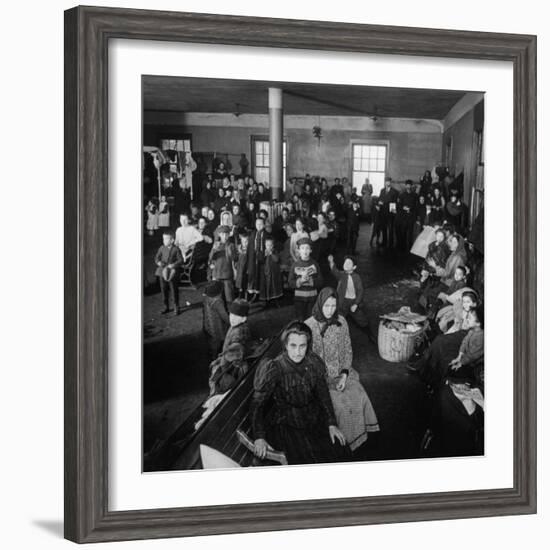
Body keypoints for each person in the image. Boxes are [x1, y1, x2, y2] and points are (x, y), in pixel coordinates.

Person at [251, 321, 349, 465]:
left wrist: (331, 423)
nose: (298, 352)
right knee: (305, 459)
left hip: (313, 419)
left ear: (307, 345)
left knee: (338, 452)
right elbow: (256, 404)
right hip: (287, 424)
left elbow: (323, 395)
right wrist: (259, 436)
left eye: (302, 346)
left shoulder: (313, 362)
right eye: (293, 346)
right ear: (285, 345)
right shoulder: (275, 368)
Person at [305, 289, 379, 452]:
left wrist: (344, 374)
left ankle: (360, 440)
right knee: (341, 407)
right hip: (321, 380)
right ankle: (344, 446)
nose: (330, 310)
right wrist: (323, 380)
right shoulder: (309, 326)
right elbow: (307, 361)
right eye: (327, 305)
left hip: (342, 373)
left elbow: (347, 349)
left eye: (333, 305)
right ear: (320, 303)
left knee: (360, 396)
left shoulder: (342, 321)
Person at [288, 237, 323, 320]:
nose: (305, 251)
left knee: (311, 318)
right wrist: (300, 281)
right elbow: (290, 282)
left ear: (311, 250)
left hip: (312, 298)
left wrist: (312, 281)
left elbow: (321, 281)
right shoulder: (295, 265)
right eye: (302, 248)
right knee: (300, 318)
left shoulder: (315, 264)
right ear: (298, 251)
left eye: (307, 248)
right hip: (299, 298)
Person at [154, 231, 184, 315]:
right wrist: (158, 262)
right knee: (163, 290)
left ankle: (176, 307)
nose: (164, 241)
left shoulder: (176, 249)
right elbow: (157, 257)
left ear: (172, 240)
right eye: (163, 239)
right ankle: (165, 306)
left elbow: (181, 260)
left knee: (174, 290)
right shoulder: (161, 248)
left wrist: (174, 265)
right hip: (162, 271)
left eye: (166, 239)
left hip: (172, 273)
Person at [202, 280, 229, 360]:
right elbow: (224, 315)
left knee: (211, 340)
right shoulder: (217, 301)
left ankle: (211, 353)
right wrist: (231, 322)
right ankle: (215, 358)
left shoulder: (207, 298)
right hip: (216, 325)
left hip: (208, 323)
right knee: (217, 342)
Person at [208, 226, 236, 303]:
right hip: (217, 273)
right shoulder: (216, 245)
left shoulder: (231, 245)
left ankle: (231, 313)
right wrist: (214, 250)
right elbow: (210, 259)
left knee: (229, 297)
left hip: (227, 274)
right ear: (219, 235)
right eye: (222, 234)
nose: (224, 236)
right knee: (217, 297)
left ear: (228, 235)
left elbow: (234, 259)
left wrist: (235, 272)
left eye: (226, 234)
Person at [246, 216, 268, 301]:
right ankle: (251, 293)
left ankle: (259, 294)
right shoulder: (252, 234)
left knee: (260, 275)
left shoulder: (266, 235)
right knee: (252, 275)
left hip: (262, 258)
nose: (259, 225)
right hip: (253, 257)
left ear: (264, 225)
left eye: (261, 224)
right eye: (257, 224)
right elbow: (249, 248)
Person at [259, 236, 283, 305]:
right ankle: (266, 299)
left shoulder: (274, 251)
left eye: (270, 245)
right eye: (267, 245)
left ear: (273, 245)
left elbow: (277, 259)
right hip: (265, 273)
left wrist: (271, 254)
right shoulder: (264, 252)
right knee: (266, 286)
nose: (269, 247)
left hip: (273, 272)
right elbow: (261, 260)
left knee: (274, 285)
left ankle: (275, 298)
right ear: (265, 245)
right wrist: (264, 255)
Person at [378, 178, 399, 248]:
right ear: (385, 183)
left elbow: (394, 203)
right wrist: (379, 203)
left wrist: (393, 213)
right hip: (383, 213)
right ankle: (384, 242)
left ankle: (390, 243)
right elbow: (380, 199)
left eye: (388, 182)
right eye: (386, 182)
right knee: (383, 228)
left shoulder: (395, 192)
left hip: (390, 213)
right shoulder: (382, 190)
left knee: (390, 229)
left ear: (390, 183)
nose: (387, 183)